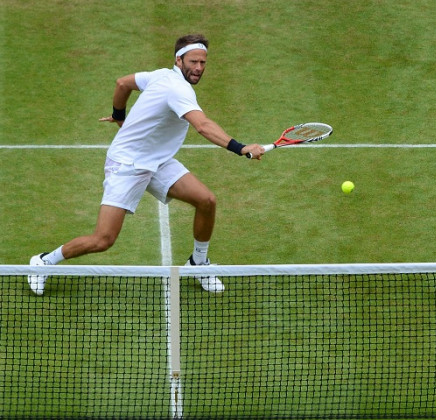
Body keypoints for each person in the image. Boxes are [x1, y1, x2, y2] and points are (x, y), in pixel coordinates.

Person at [28, 34, 266, 295]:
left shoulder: (159, 75)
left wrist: (120, 115)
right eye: (193, 61)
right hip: (127, 164)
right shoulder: (178, 89)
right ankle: (43, 262)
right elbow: (203, 125)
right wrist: (241, 148)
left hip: (157, 160)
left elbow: (123, 84)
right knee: (103, 239)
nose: (199, 68)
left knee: (206, 201)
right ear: (179, 59)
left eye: (203, 62)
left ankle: (198, 262)